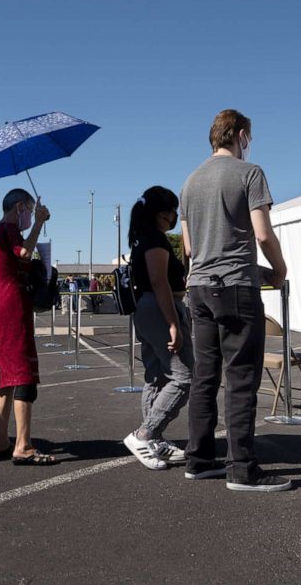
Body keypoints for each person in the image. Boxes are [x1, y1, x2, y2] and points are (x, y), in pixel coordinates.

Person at [180, 109, 291, 492]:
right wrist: (278, 269)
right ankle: (242, 467)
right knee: (242, 378)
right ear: (240, 135)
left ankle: (199, 459)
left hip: (198, 287)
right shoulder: (250, 173)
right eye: (249, 138)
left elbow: (191, 247)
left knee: (204, 377)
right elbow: (262, 234)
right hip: (236, 287)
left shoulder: (190, 181)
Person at [122, 186, 193, 470]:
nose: (175, 215)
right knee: (183, 377)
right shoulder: (155, 240)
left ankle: (153, 439)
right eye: (173, 210)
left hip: (146, 308)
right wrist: (173, 323)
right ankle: (145, 434)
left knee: (155, 376)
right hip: (159, 308)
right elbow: (159, 281)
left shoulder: (142, 238)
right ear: (162, 213)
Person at [0, 189, 56, 465]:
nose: (29, 214)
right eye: (28, 209)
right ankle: (23, 445)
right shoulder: (8, 230)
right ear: (19, 208)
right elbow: (24, 252)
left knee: (6, 376)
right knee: (24, 374)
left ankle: (0, 440)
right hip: (13, 305)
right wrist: (39, 221)